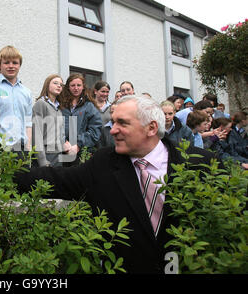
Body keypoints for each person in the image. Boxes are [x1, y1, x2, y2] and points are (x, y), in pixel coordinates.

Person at [11, 95, 218, 273]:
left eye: (122, 123)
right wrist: (4, 175)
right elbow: (57, 180)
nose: (112, 130)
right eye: (113, 122)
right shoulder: (103, 164)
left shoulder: (199, 163)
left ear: (151, 128)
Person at [58, 74, 102, 165]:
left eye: (79, 85)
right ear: (68, 87)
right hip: (62, 151)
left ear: (83, 87)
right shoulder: (61, 104)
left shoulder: (89, 106)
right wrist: (64, 142)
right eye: (73, 85)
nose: (76, 88)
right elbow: (55, 126)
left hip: (81, 153)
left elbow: (95, 130)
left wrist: (78, 145)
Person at [32, 74, 70, 167]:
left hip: (58, 155)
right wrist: (42, 160)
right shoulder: (41, 104)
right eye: (55, 83)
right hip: (46, 154)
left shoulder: (59, 108)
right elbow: (37, 134)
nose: (59, 86)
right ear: (47, 85)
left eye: (61, 85)